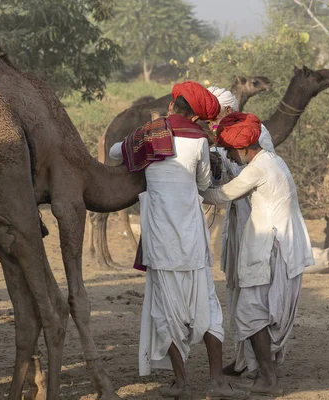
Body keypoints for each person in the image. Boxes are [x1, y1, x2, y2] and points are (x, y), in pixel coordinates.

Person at [108, 81, 248, 400]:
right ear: (197, 117)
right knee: (208, 307)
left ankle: (182, 384)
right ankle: (216, 381)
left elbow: (118, 151)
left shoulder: (149, 133)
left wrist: (142, 141)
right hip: (192, 235)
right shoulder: (199, 140)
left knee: (164, 310)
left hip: (160, 237)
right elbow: (202, 182)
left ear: (172, 106)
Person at [201, 112, 314, 396]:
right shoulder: (272, 161)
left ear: (242, 148)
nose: (229, 155)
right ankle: (265, 372)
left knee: (251, 314)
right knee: (258, 312)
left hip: (270, 250)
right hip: (279, 247)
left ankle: (268, 378)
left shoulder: (257, 169)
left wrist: (190, 187)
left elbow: (223, 195)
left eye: (229, 150)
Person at [205, 87, 276, 377]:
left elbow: (248, 177)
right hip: (235, 220)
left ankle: (260, 363)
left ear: (226, 110)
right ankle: (243, 359)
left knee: (254, 295)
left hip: (256, 223)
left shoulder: (258, 135)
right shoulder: (221, 138)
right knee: (234, 289)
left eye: (215, 113)